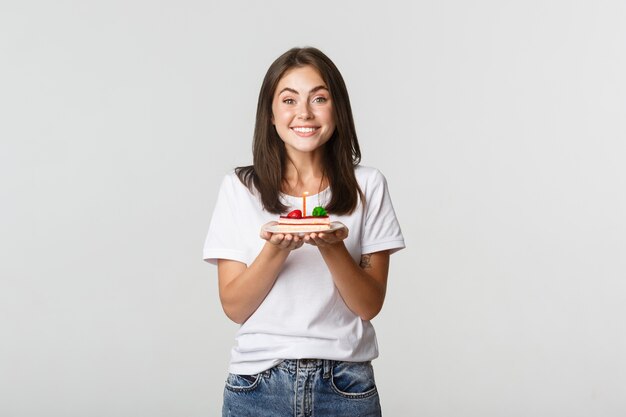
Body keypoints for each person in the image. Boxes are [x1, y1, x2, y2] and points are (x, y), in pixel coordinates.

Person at [203, 46, 405, 417]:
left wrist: (332, 247)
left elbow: (369, 304)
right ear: (271, 113)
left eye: (319, 98)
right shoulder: (239, 188)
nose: (304, 113)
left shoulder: (368, 185)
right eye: (289, 99)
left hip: (346, 385)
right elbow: (234, 307)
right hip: (257, 384)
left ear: (337, 109)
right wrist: (277, 249)